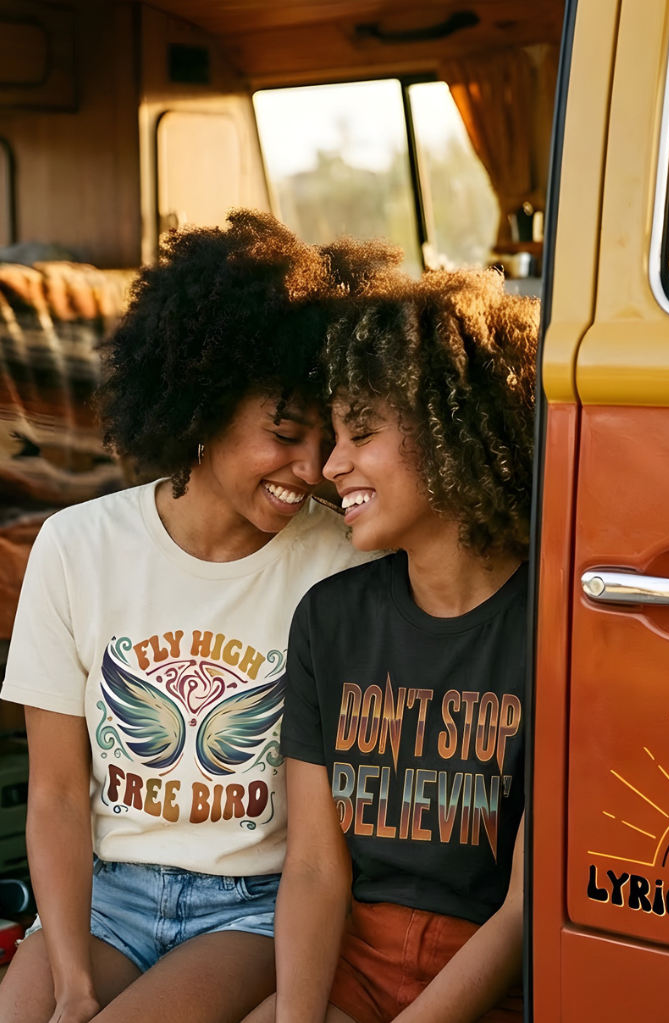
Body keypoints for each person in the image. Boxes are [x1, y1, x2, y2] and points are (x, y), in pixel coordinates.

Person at [0, 212, 393, 1023]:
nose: (311, 468)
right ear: (201, 408)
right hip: (106, 894)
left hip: (247, 908)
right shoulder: (76, 547)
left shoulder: (341, 567)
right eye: (284, 434)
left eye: (324, 437)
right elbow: (59, 794)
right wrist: (71, 985)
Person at [245, 265, 539, 1023]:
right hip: (353, 965)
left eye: (362, 432)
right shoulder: (329, 620)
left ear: (452, 430)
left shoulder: (551, 631)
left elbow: (524, 908)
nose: (330, 465)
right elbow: (315, 868)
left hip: (490, 983)